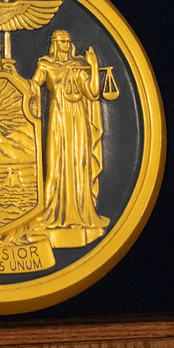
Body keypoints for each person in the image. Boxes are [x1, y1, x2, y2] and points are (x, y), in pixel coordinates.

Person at [34, 31, 110, 248]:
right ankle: (54, 210)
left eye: (68, 41)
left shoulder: (78, 66)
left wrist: (93, 66)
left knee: (79, 162)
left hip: (77, 119)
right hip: (57, 118)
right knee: (56, 163)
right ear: (54, 44)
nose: (66, 45)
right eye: (61, 42)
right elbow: (32, 87)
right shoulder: (45, 64)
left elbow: (93, 93)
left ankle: (80, 214)